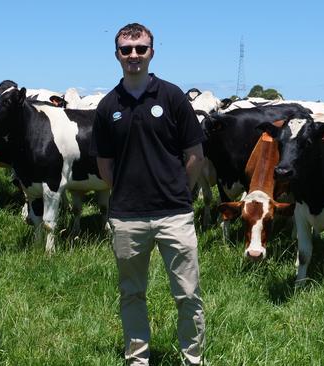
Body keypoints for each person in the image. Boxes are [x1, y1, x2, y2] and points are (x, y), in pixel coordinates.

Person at [90, 23, 206, 365]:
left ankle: (193, 359)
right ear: (117, 55)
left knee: (187, 294)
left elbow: (195, 155)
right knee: (132, 293)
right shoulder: (108, 105)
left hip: (174, 214)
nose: (134, 55)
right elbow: (103, 164)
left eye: (140, 48)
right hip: (127, 216)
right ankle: (138, 359)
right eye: (127, 50)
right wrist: (125, 192)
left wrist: (177, 190)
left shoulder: (172, 97)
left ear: (152, 52)